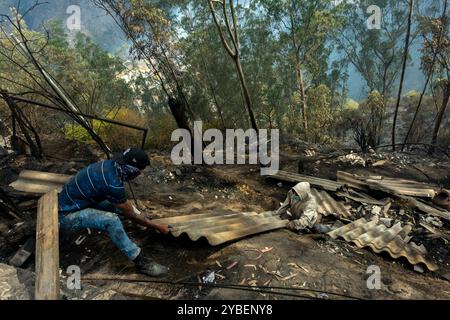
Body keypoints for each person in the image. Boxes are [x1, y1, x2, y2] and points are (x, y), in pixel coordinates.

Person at [58, 148, 171, 277]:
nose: (140, 173)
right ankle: (141, 262)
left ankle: (142, 222)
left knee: (120, 207)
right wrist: (156, 226)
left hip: (80, 202)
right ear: (132, 169)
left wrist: (140, 216)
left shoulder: (109, 166)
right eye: (140, 170)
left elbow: (124, 204)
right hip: (65, 215)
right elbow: (127, 209)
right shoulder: (112, 183)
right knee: (111, 220)